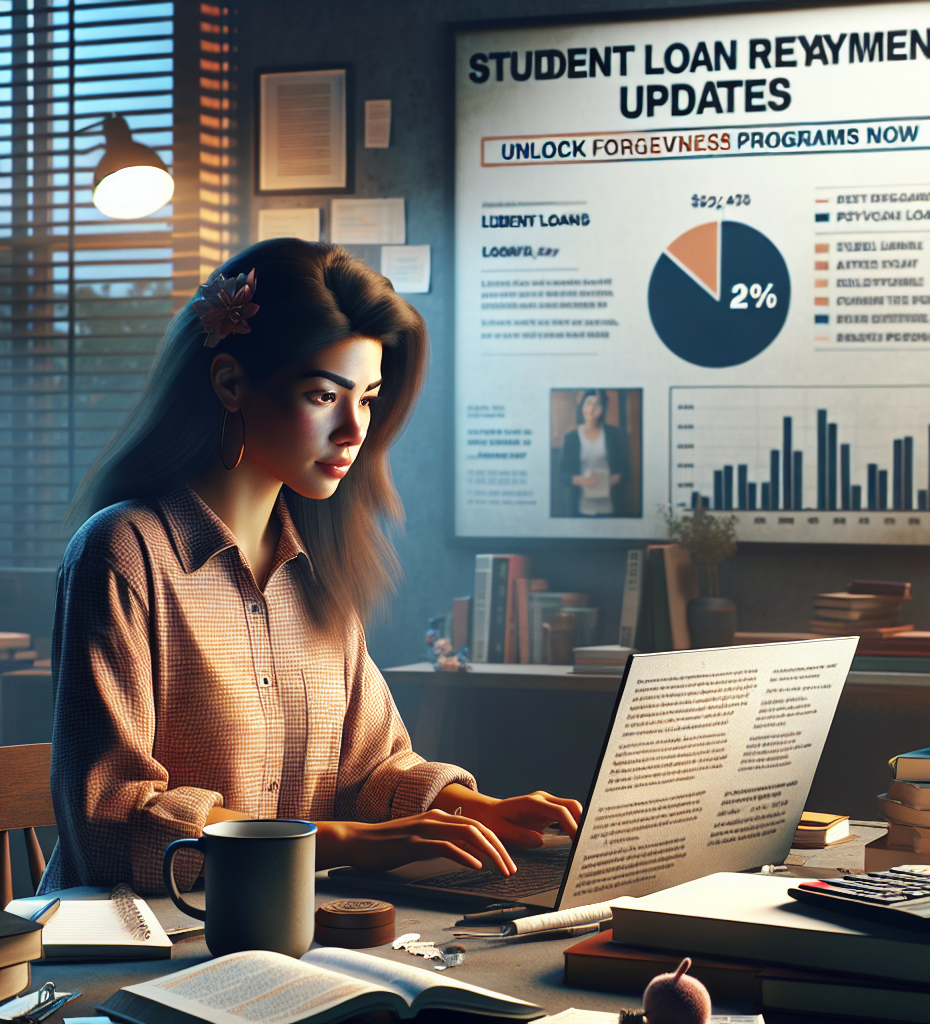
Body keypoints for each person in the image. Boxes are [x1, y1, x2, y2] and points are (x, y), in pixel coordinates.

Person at [42, 239, 581, 896]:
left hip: (284, 931)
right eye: (325, 395)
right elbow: (111, 819)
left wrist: (476, 811)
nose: (355, 430)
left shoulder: (318, 571)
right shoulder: (123, 553)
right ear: (231, 382)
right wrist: (339, 842)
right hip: (136, 945)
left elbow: (369, 772)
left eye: (369, 397)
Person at [558, 389, 631, 516]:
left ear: (603, 408)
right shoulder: (571, 437)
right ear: (582, 407)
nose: (591, 409)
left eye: (597, 405)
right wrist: (581, 481)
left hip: (610, 507)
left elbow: (625, 471)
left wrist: (613, 480)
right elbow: (562, 475)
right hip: (580, 507)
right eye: (588, 404)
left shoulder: (614, 434)